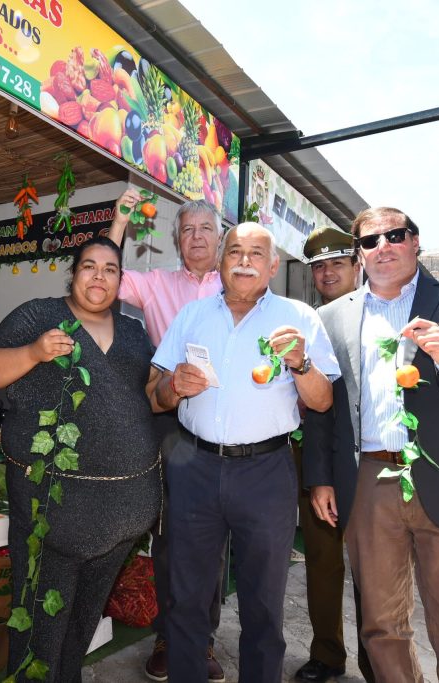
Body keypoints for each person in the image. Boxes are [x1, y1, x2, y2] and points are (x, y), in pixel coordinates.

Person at [304, 206, 439, 683]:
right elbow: (325, 406)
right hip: (368, 484)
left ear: (415, 241)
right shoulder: (331, 317)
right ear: (359, 254)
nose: (383, 247)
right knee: (381, 624)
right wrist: (320, 478)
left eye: (394, 235)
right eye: (370, 241)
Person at [152, 222, 339, 683]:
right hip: (194, 468)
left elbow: (321, 401)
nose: (245, 261)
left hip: (266, 471)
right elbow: (153, 395)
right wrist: (173, 386)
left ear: (273, 266)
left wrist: (302, 362)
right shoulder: (192, 316)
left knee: (263, 603)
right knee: (187, 597)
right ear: (220, 261)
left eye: (257, 253)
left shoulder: (299, 318)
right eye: (235, 251)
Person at [0, 236, 165, 682]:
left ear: (120, 280)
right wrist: (34, 352)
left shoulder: (135, 333)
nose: (99, 276)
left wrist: (177, 389)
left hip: (122, 514)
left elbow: (148, 400)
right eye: (89, 266)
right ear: (73, 272)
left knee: (82, 622)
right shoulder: (40, 315)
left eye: (110, 269)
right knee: (41, 623)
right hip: (55, 510)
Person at [109, 190, 226, 682]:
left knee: (215, 537)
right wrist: (118, 221)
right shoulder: (156, 283)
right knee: (172, 534)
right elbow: (105, 276)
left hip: (226, 419)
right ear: (176, 240)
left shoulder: (238, 284)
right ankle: (166, 635)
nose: (196, 237)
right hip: (170, 418)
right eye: (187, 230)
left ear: (221, 239)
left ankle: (203, 642)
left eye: (205, 229)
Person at [294, 226, 372, 683]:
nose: (326, 273)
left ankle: (375, 657)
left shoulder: (379, 312)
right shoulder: (306, 319)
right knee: (323, 562)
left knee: (372, 566)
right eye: (318, 266)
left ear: (355, 265)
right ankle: (327, 654)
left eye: (336, 263)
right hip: (313, 453)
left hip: (367, 458)